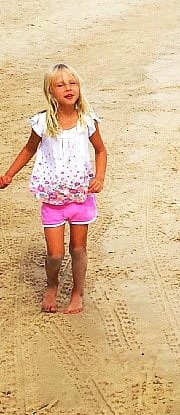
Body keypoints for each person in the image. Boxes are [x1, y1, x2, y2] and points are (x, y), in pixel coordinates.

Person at [0, 63, 107, 314]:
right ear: (50, 91)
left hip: (80, 196)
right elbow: (29, 149)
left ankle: (77, 293)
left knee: (79, 249)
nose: (68, 88)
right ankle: (52, 284)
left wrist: (99, 177)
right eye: (60, 85)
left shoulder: (87, 120)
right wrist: (9, 174)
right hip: (52, 199)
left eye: (72, 83)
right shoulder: (42, 122)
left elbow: (101, 150)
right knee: (55, 254)